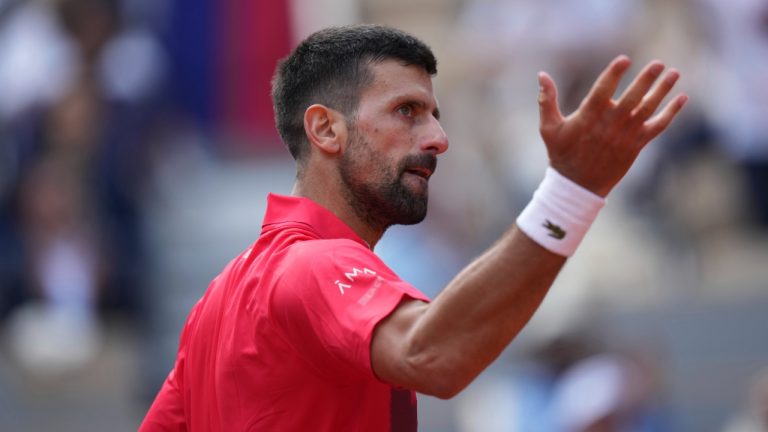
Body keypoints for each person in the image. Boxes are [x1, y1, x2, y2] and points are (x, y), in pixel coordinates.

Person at [140, 24, 687, 431]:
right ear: (325, 129)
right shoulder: (313, 264)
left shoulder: (215, 304)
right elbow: (434, 355)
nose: (437, 139)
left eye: (435, 116)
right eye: (407, 111)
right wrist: (571, 191)